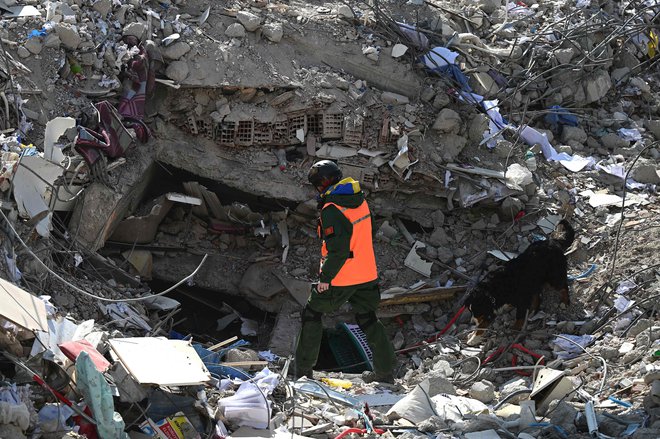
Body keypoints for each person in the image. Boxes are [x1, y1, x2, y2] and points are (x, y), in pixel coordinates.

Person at [294, 160, 396, 383]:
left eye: (317, 186)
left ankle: (302, 372)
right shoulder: (360, 201)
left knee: (312, 313)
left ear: (322, 184)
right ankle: (385, 374)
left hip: (343, 276)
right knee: (368, 319)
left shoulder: (332, 210)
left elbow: (338, 252)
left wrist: (325, 279)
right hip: (367, 273)